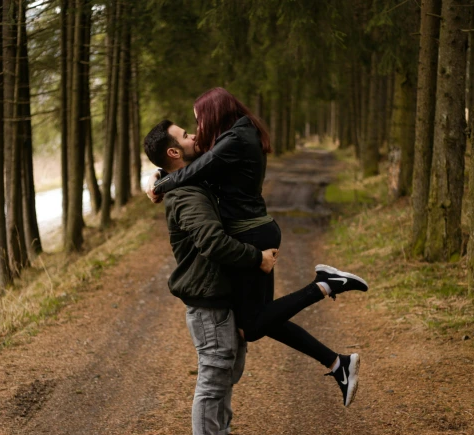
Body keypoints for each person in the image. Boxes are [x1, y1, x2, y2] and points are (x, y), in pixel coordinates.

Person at [147, 89, 367, 406]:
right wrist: (157, 173)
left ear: (214, 114)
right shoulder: (236, 133)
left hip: (253, 236)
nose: (197, 129)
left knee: (252, 324)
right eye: (189, 129)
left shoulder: (235, 138)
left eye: (198, 121)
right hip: (255, 231)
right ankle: (337, 363)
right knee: (260, 319)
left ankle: (325, 286)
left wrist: (161, 184)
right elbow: (196, 167)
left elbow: (196, 168)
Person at [143, 120, 277, 435]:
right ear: (174, 152)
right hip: (206, 298)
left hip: (221, 293)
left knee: (230, 367)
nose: (194, 138)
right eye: (185, 136)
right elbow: (213, 243)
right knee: (214, 372)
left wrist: (156, 176)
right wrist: (257, 258)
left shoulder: (189, 179)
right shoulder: (186, 195)